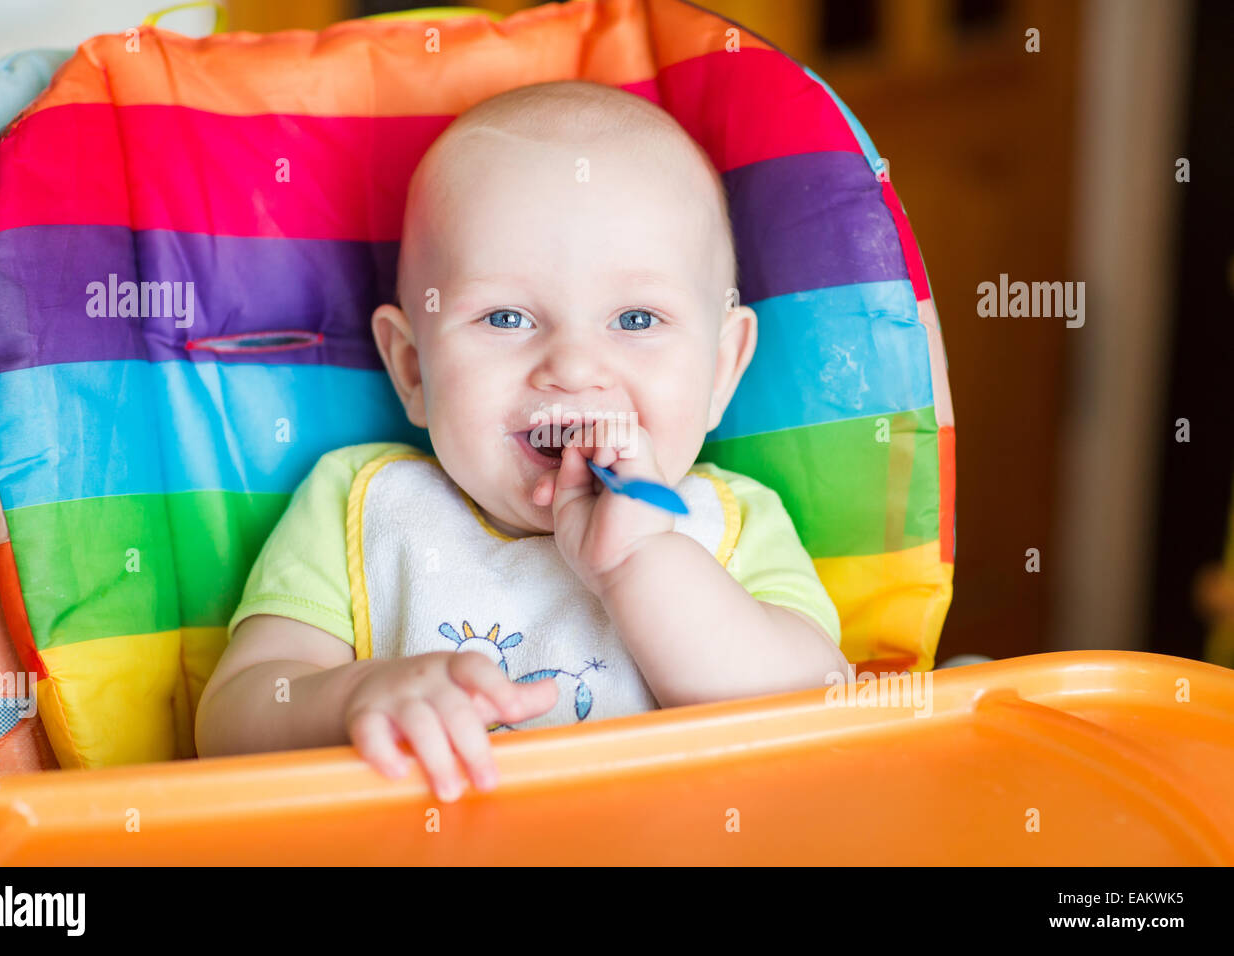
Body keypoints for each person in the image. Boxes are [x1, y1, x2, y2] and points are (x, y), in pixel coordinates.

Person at [196, 80, 849, 802]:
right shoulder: (362, 505)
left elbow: (814, 707)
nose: (572, 367)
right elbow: (231, 720)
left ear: (722, 369)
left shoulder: (729, 522)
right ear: (413, 368)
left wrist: (638, 562)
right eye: (506, 318)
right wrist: (355, 696)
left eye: (635, 319)